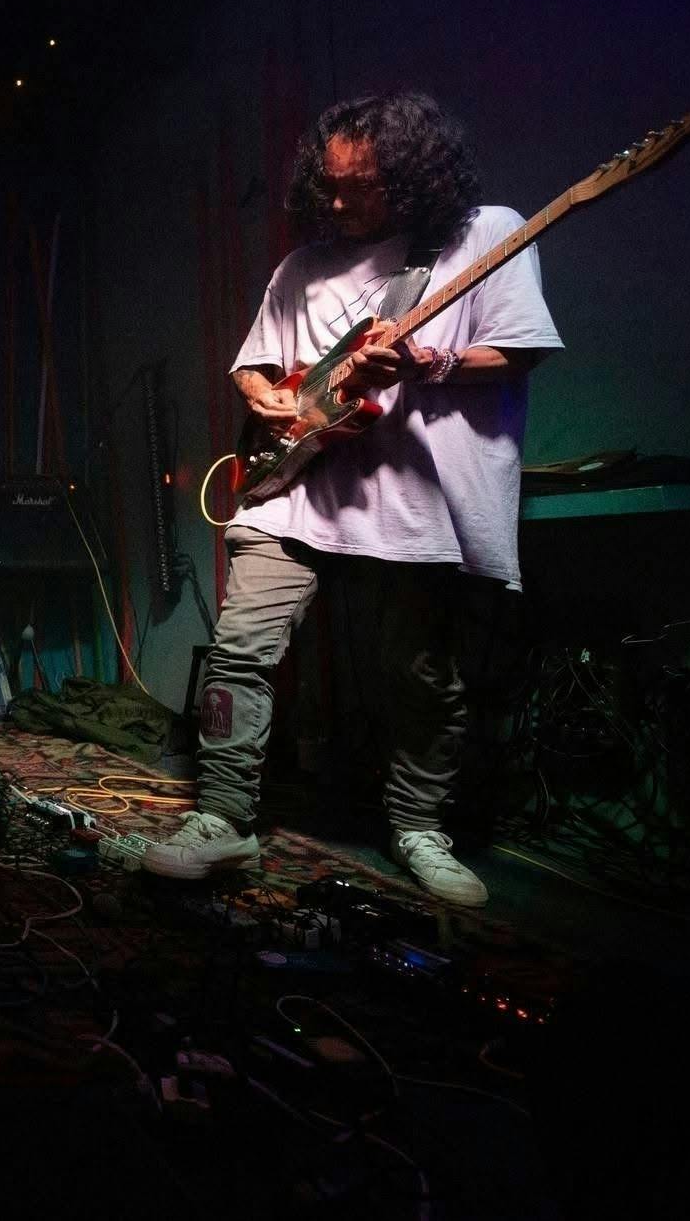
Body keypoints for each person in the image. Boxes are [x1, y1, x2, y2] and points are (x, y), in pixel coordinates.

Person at [142, 91, 564, 906]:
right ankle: (222, 816)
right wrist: (266, 397)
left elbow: (519, 349)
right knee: (239, 648)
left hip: (418, 497)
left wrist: (427, 363)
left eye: (359, 186)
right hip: (297, 485)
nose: (337, 204)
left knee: (419, 671)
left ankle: (419, 826)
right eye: (327, 186)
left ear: (414, 173)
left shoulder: (485, 234)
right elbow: (253, 364)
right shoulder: (303, 267)